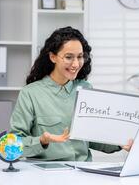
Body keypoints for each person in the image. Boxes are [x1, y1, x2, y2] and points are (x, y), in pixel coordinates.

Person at [10, 26, 132, 161]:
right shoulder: (30, 94)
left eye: (80, 57)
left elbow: (92, 138)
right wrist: (42, 141)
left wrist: (120, 142)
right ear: (53, 57)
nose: (75, 64)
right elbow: (14, 143)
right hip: (47, 174)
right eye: (69, 57)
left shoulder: (85, 88)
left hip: (83, 172)